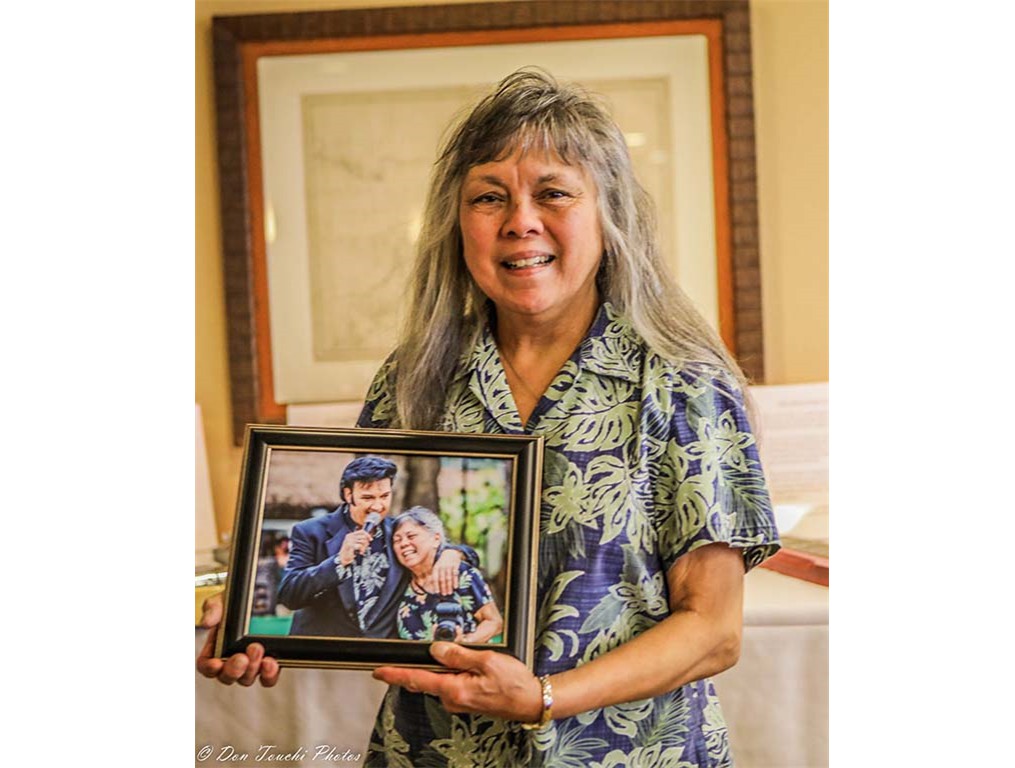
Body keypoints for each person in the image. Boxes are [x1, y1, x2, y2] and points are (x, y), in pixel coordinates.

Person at [198, 67, 779, 766]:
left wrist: (544, 697)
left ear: (609, 214)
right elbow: (363, 561)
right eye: (489, 197)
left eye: (553, 193)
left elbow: (713, 630)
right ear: (458, 224)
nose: (520, 221)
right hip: (437, 751)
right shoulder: (412, 377)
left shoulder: (682, 381)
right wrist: (254, 622)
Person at [276, 455, 478, 638]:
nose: (378, 506)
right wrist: (338, 562)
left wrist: (452, 553)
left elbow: (469, 556)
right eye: (368, 498)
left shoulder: (399, 532)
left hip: (381, 654)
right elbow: (289, 595)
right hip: (323, 653)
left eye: (384, 496)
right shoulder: (309, 531)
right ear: (348, 494)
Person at [391, 506, 503, 644]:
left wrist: (464, 642)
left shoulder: (460, 573)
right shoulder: (399, 580)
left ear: (436, 538)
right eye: (397, 540)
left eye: (411, 536)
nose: (403, 543)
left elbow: (494, 622)